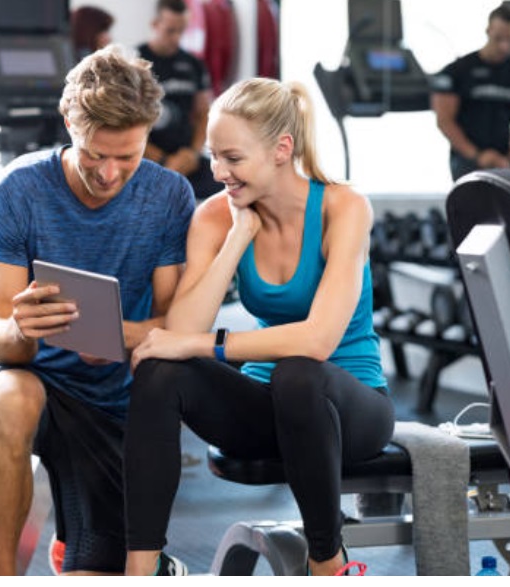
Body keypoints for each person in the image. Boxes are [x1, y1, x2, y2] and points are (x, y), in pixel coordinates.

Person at [122, 77, 395, 576]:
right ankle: (140, 570)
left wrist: (205, 344)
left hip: (350, 409)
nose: (219, 171)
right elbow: (180, 332)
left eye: (233, 158)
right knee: (160, 369)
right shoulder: (215, 216)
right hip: (264, 411)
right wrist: (236, 239)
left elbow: (317, 340)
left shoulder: (344, 207)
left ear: (281, 149)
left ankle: (327, 563)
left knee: (297, 371)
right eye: (213, 157)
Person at [0, 45, 196, 576]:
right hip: (27, 373)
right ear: (69, 120)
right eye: (96, 153)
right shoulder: (16, 192)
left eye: (129, 156)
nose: (111, 173)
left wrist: (118, 337)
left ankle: (80, 547)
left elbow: (175, 321)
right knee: (14, 398)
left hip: (113, 395)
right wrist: (24, 329)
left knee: (95, 569)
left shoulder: (168, 197)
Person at [431, 3, 510, 181]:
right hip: (465, 159)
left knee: (503, 207)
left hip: (502, 161)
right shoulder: (458, 71)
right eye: (499, 38)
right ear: (488, 30)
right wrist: (477, 155)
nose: (504, 46)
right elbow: (444, 121)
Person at [137, 0, 222, 201]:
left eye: (181, 31)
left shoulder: (194, 64)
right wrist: (162, 159)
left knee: (226, 184)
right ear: (155, 24)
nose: (176, 38)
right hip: (146, 157)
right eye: (170, 31)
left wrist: (192, 154)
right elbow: (124, 122)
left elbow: (203, 114)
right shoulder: (134, 62)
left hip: (185, 157)